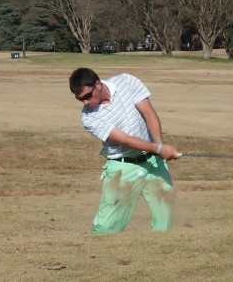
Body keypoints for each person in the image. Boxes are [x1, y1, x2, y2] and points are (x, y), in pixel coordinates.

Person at [69, 68, 180, 235]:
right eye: (80, 100)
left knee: (164, 213)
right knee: (107, 227)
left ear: (97, 85)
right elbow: (125, 140)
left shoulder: (126, 81)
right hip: (123, 167)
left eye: (87, 96)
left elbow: (148, 113)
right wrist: (158, 148)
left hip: (152, 161)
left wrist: (159, 145)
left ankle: (161, 253)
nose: (85, 102)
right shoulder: (89, 117)